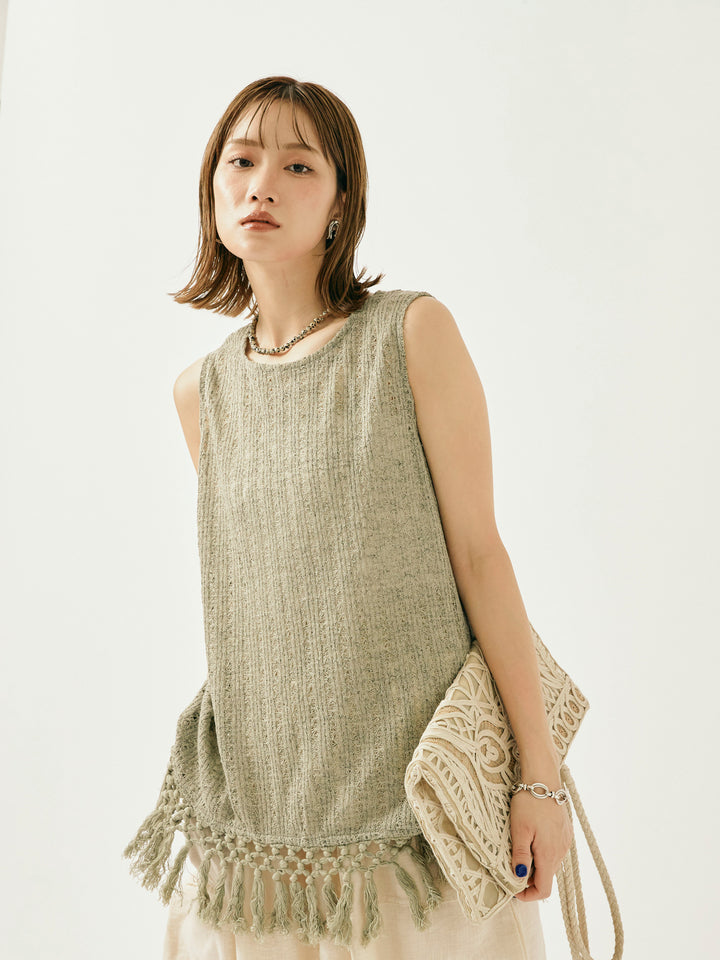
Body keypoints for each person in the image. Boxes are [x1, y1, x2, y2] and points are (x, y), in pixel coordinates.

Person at [123, 76, 573, 960]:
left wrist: (540, 776)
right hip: (255, 824)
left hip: (416, 821)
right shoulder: (201, 394)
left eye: (298, 166)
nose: (262, 185)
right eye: (241, 162)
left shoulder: (410, 334)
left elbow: (479, 555)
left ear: (340, 204)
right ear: (211, 189)